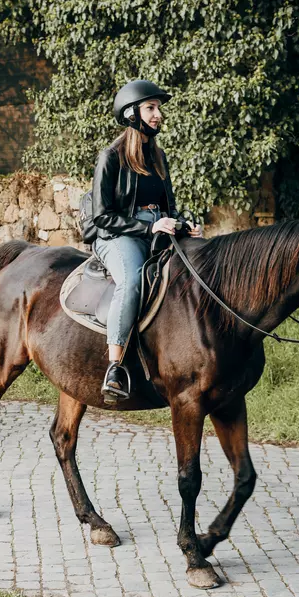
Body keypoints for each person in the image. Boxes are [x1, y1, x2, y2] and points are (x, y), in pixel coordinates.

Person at [87, 80, 203, 399]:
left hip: (156, 229)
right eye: (151, 108)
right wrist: (148, 227)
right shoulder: (109, 157)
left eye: (158, 108)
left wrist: (183, 224)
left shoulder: (158, 156)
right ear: (131, 113)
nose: (158, 115)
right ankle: (115, 367)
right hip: (116, 233)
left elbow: (170, 207)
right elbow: (101, 216)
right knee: (133, 280)